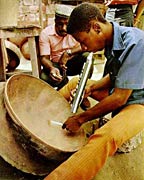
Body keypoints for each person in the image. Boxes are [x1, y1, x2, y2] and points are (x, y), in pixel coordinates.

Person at [44, 3, 144, 180]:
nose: (82, 47)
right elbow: (116, 76)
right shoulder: (112, 39)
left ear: (96, 27)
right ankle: (41, 117)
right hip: (123, 91)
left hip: (138, 103)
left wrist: (80, 118)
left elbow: (120, 98)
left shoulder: (136, 43)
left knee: (106, 137)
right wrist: (90, 88)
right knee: (76, 83)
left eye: (83, 41)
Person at [39, 4, 91, 91]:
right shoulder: (46, 34)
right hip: (56, 65)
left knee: (87, 57)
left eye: (67, 24)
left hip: (72, 63)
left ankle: (83, 89)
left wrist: (68, 53)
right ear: (55, 21)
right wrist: (52, 68)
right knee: (44, 77)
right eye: (60, 24)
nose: (64, 28)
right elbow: (44, 58)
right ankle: (64, 85)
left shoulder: (76, 30)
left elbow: (85, 45)